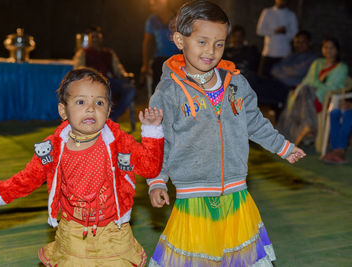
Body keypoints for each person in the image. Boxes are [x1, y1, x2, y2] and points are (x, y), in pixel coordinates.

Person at [146, 1, 306, 266]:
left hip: (235, 192)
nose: (211, 51)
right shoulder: (168, 93)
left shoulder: (236, 83)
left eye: (219, 44)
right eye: (202, 42)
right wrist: (157, 180)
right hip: (193, 194)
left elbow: (255, 122)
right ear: (179, 40)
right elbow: (160, 140)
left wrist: (283, 147)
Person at [0, 67, 164, 266]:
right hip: (73, 233)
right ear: (63, 110)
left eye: (99, 102)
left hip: (113, 232)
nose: (90, 108)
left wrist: (151, 131)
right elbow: (28, 178)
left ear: (108, 110)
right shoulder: (52, 148)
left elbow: (149, 168)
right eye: (81, 102)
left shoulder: (118, 140)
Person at [277, 37, 348, 146]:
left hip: (324, 98)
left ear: (337, 50)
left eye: (332, 48)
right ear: (322, 49)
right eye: (326, 47)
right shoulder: (318, 63)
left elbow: (333, 87)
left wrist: (315, 87)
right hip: (309, 95)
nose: (328, 50)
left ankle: (300, 132)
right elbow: (308, 80)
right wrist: (314, 86)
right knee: (296, 92)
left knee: (305, 91)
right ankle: (305, 129)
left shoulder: (341, 68)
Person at [73, 26, 136, 122]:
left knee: (130, 89)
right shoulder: (83, 53)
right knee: (103, 92)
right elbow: (78, 69)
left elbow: (119, 69)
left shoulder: (109, 53)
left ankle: (113, 116)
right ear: (89, 39)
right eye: (92, 37)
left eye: (96, 37)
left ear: (101, 38)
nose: (94, 39)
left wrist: (125, 75)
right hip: (92, 83)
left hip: (110, 81)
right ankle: (102, 117)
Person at [140, 0, 180, 92]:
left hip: (178, 58)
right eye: (151, 5)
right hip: (160, 59)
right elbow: (147, 43)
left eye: (155, 4)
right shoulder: (152, 20)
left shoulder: (178, 17)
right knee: (158, 87)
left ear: (164, 2)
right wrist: (145, 65)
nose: (152, 7)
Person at [256, 0, 298, 78]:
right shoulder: (267, 12)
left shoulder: (291, 15)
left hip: (285, 54)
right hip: (268, 53)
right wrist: (275, 31)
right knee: (262, 80)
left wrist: (285, 32)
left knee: (282, 81)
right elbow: (259, 31)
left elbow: (295, 35)